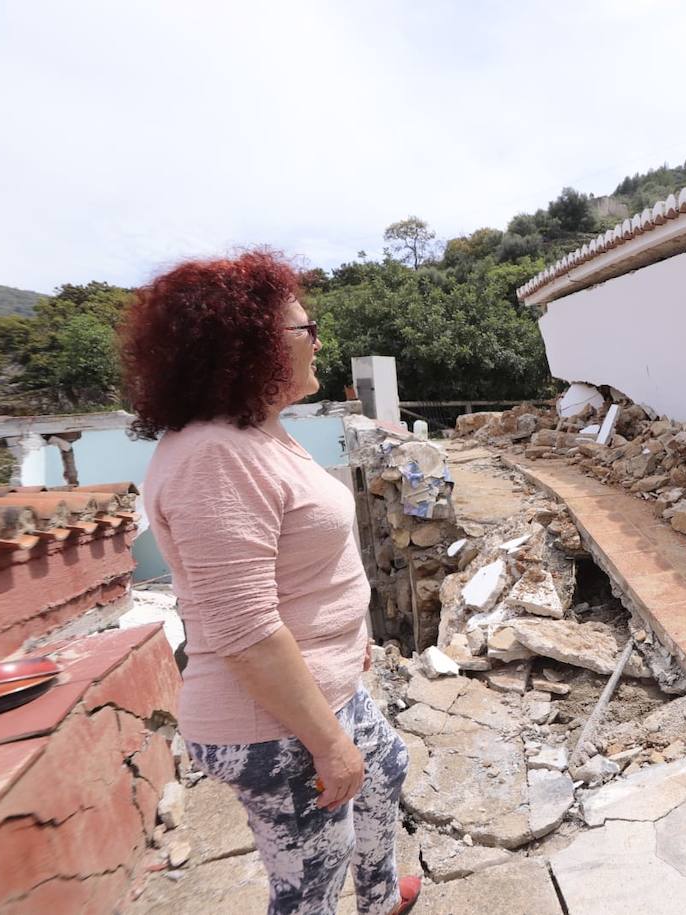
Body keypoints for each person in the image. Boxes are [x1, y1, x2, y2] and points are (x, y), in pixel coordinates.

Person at [122, 251, 420, 915]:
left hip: (325, 684)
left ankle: (378, 899)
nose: (318, 343)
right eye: (304, 332)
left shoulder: (259, 432)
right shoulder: (214, 458)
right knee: (312, 877)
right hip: (274, 722)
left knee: (387, 767)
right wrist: (329, 745)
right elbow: (246, 631)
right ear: (247, 348)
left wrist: (352, 641)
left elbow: (308, 563)